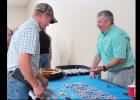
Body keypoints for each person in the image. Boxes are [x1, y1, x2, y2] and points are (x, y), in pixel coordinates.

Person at [7, 3, 57, 99]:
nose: (48, 25)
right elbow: (23, 62)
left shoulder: (28, 27)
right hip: (17, 83)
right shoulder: (31, 29)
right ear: (45, 15)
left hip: (17, 81)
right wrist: (36, 85)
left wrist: (41, 78)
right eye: (49, 21)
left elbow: (30, 62)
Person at [89, 10, 135, 88]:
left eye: (99, 22)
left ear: (108, 22)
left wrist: (103, 68)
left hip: (122, 72)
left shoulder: (118, 35)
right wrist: (92, 69)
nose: (97, 25)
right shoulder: (101, 35)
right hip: (110, 70)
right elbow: (98, 55)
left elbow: (120, 59)